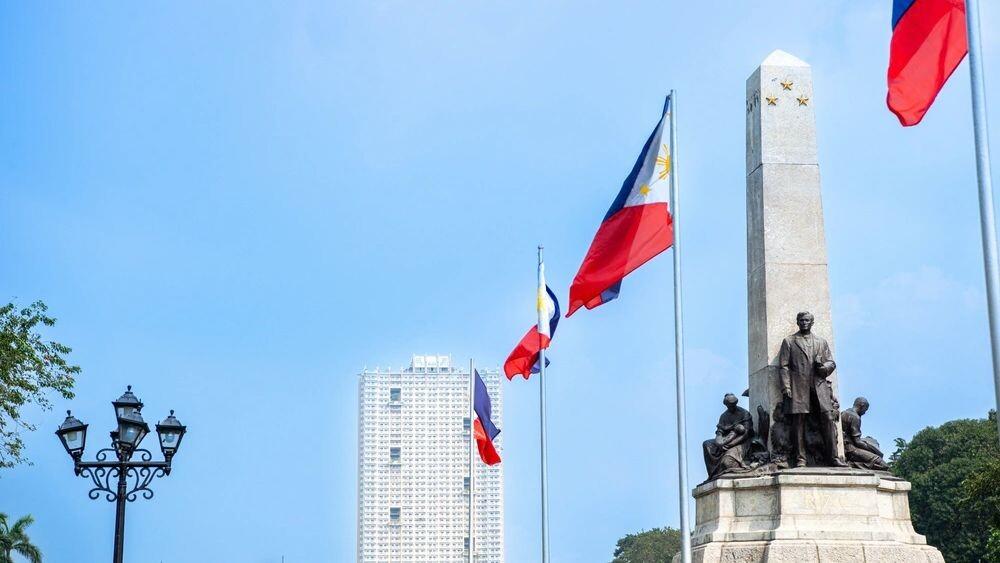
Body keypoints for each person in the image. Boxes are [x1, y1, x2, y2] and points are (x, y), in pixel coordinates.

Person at [778, 312, 848, 468]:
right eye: (802, 320)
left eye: (807, 320)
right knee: (799, 422)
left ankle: (833, 457)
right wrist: (786, 387)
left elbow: (831, 362)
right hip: (798, 387)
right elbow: (783, 366)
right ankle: (800, 458)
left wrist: (823, 368)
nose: (804, 323)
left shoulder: (821, 342)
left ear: (812, 322)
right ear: (797, 322)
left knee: (828, 419)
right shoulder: (789, 341)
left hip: (819, 386)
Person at [703, 394, 754, 479]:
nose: (731, 407)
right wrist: (719, 442)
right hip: (726, 439)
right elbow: (719, 432)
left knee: (727, 463)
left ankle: (733, 465)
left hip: (741, 442)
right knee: (707, 444)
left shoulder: (744, 413)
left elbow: (746, 434)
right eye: (729, 405)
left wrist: (730, 445)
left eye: (733, 405)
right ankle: (713, 474)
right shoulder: (724, 416)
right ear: (726, 405)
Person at [841, 397, 889, 471]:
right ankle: (852, 464)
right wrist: (874, 450)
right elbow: (857, 442)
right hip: (851, 449)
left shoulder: (844, 413)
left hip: (846, 447)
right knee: (884, 465)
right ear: (862, 405)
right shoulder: (855, 417)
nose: (864, 413)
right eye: (865, 410)